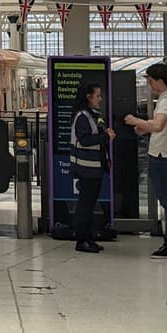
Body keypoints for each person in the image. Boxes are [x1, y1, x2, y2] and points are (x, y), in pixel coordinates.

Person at [125, 62, 167, 258]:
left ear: (159, 80)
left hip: (162, 158)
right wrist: (145, 126)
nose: (150, 86)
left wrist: (135, 121)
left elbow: (158, 125)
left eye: (150, 81)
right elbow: (158, 125)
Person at [70, 83, 115, 253]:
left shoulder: (92, 115)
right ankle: (82, 240)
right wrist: (105, 136)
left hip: (94, 167)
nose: (100, 99)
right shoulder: (82, 116)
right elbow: (85, 140)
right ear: (88, 97)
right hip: (86, 167)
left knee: (89, 204)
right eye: (97, 96)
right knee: (85, 205)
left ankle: (88, 238)